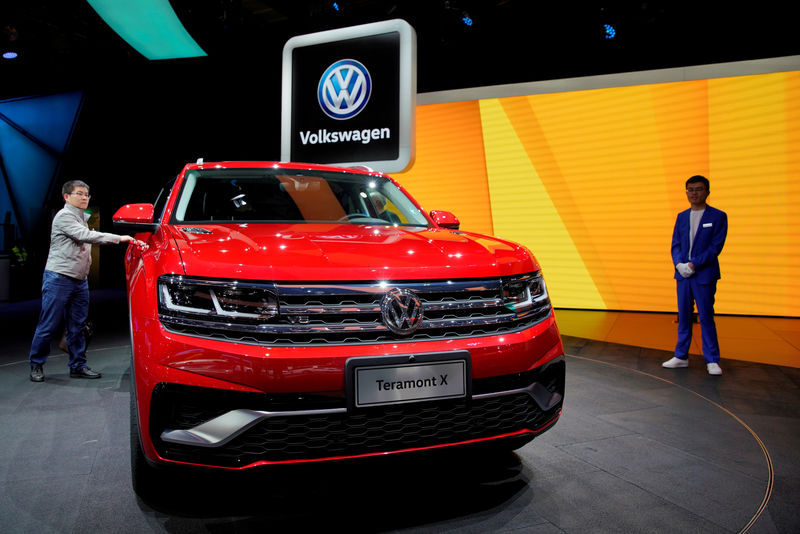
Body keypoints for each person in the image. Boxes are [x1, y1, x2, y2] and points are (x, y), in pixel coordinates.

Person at [29, 180, 143, 382]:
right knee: (48, 324)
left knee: (78, 326)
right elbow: (86, 236)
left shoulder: (81, 218)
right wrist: (121, 238)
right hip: (59, 278)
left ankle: (78, 365)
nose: (84, 197)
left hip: (79, 281)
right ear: (67, 197)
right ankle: (36, 364)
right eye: (79, 193)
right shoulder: (64, 217)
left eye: (87, 194)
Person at [663, 175, 728, 375]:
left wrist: (693, 264)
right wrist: (679, 264)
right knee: (684, 316)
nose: (694, 193)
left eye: (698, 189)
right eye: (690, 189)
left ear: (707, 191)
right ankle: (681, 355)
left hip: (703, 274)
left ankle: (712, 360)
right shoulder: (682, 216)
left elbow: (715, 247)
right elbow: (676, 243)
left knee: (706, 316)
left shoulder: (718, 216)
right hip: (683, 275)